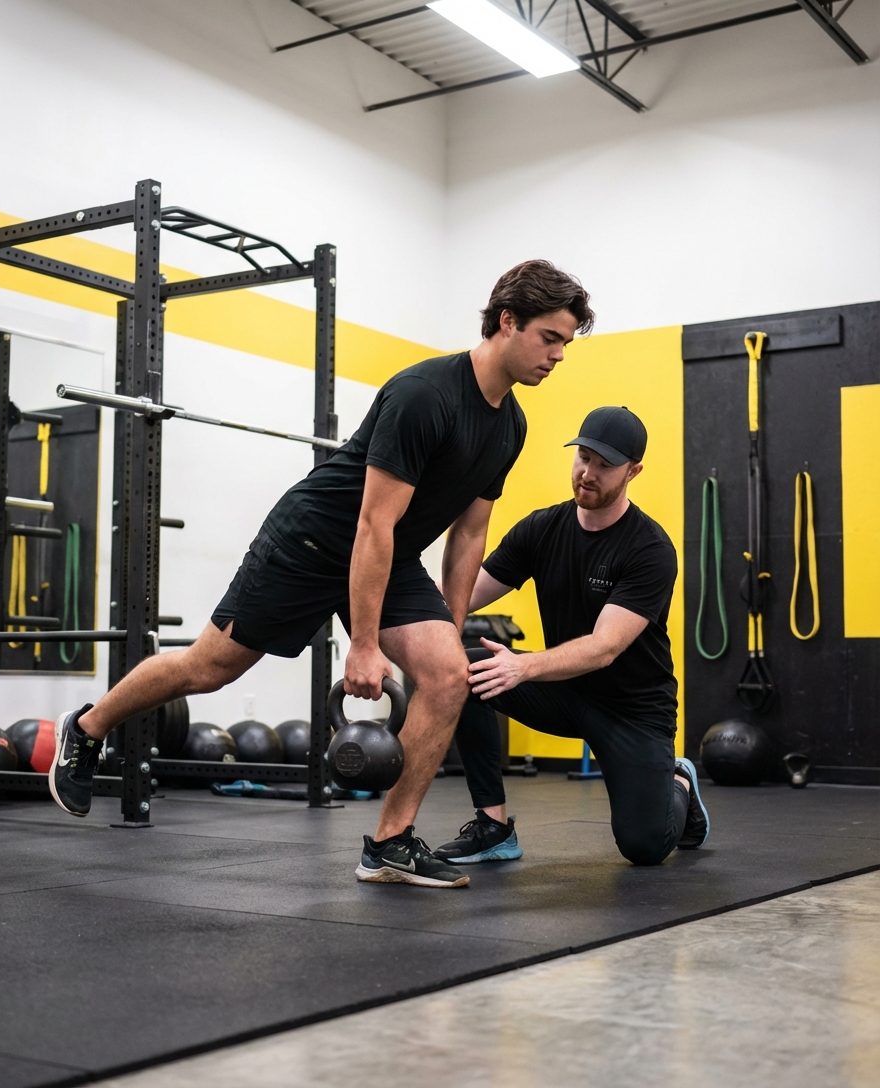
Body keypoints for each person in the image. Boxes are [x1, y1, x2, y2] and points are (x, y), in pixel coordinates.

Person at [49, 260, 595, 888]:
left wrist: (450, 623)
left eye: (566, 344)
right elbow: (371, 525)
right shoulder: (425, 395)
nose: (557, 355)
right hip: (313, 542)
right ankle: (88, 728)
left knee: (449, 676)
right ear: (507, 321)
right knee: (209, 667)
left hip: (388, 558)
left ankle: (390, 843)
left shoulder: (511, 426)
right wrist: (363, 646)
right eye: (549, 338)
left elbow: (470, 531)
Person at [434, 406, 710, 868]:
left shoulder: (650, 548)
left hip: (633, 712)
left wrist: (522, 666)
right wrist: (385, 612)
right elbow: (462, 596)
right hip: (564, 693)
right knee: (465, 673)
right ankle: (493, 828)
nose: (588, 473)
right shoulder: (542, 528)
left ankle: (679, 783)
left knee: (645, 847)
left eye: (605, 466)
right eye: (583, 457)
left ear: (633, 471)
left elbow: (604, 648)